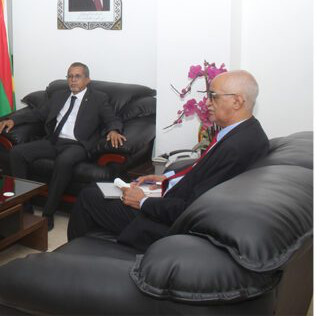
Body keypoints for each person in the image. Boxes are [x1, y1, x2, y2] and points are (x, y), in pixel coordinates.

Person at [67, 70, 270, 251]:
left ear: (237, 101)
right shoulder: (244, 132)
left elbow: (193, 208)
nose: (207, 102)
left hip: (168, 222)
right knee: (101, 189)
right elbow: (202, 171)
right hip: (170, 197)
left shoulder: (237, 148)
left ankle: (74, 259)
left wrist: (143, 201)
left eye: (213, 96)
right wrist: (164, 179)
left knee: (89, 196)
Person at [0, 62, 126, 231]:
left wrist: (114, 130)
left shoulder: (98, 98)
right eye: (70, 76)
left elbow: (111, 118)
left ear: (87, 80)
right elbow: (38, 113)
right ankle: (25, 205)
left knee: (63, 161)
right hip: (54, 141)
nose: (73, 80)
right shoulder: (59, 95)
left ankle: (48, 213)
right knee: (17, 153)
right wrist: (14, 120)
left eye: (77, 76)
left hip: (77, 145)